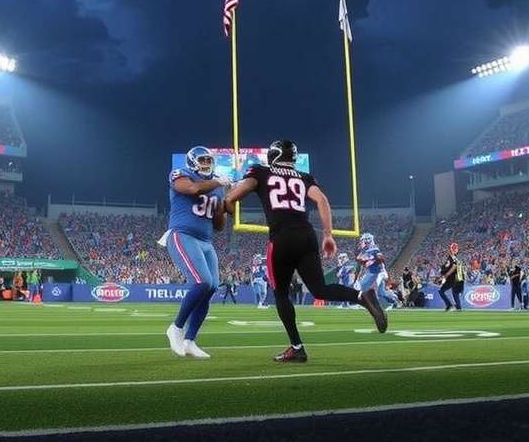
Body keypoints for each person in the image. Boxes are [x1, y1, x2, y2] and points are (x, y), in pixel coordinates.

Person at [225, 139, 387, 363]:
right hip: (307, 236)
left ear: (272, 156)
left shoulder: (260, 172)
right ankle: (362, 297)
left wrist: (229, 208)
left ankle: (297, 347)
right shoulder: (304, 177)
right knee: (319, 289)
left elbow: (232, 196)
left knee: (281, 294)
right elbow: (321, 200)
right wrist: (328, 235)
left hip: (281, 238)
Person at [162, 146, 229, 359]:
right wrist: (218, 183)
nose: (207, 163)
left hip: (206, 241)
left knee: (211, 288)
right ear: (192, 161)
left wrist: (223, 206)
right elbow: (192, 190)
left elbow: (218, 225)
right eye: (203, 159)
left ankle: (190, 340)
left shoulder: (217, 185)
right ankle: (176, 327)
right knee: (201, 282)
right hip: (182, 234)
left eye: (210, 160)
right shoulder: (181, 174)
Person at [356, 233, 398, 310]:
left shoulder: (374, 249)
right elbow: (363, 262)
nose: (361, 242)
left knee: (363, 285)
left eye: (363, 240)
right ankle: (393, 300)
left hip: (377, 273)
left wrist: (366, 260)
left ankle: (363, 303)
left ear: (368, 240)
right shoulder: (366, 250)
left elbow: (379, 260)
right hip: (373, 272)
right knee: (381, 292)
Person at [438, 243, 464, 311]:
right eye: (453, 248)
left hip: (455, 278)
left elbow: (454, 267)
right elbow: (448, 267)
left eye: (455, 249)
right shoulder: (452, 258)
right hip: (457, 278)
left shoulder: (454, 258)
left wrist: (445, 276)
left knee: (442, 291)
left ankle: (450, 305)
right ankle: (457, 306)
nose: (453, 250)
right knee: (454, 293)